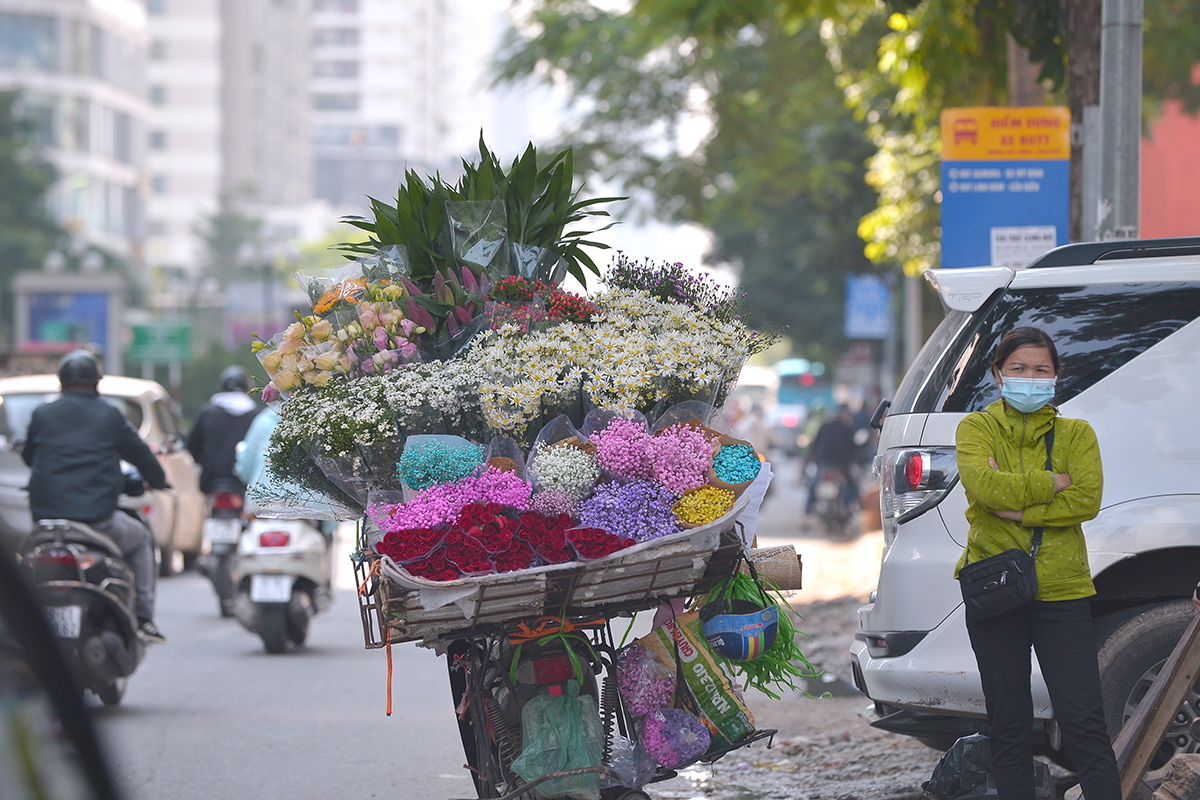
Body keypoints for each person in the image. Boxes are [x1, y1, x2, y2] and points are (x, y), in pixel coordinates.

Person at [954, 326, 1119, 800]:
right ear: (998, 374)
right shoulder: (976, 428)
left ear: (1056, 376)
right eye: (1019, 368)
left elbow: (1087, 499)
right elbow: (985, 490)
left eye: (1041, 370)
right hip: (995, 589)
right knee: (1008, 724)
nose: (1030, 377)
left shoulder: (1077, 433)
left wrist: (1018, 509)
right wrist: (1053, 482)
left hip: (1063, 589)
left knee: (1084, 722)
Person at [22, 351, 169, 643]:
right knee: (140, 539)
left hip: (46, 523)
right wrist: (159, 480)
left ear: (62, 383)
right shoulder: (109, 414)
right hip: (98, 523)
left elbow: (29, 457)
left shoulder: (42, 414)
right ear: (96, 383)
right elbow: (141, 455)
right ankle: (143, 618)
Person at [187, 366, 261, 495]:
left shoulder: (206, 413)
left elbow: (192, 446)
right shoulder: (258, 416)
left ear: (222, 389)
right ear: (248, 389)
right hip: (247, 485)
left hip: (211, 482)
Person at [804, 404, 858, 515]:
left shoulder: (824, 426)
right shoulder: (846, 429)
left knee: (813, 486)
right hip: (840, 465)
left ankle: (806, 515)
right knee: (852, 487)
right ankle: (847, 508)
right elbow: (852, 448)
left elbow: (815, 445)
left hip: (823, 463)